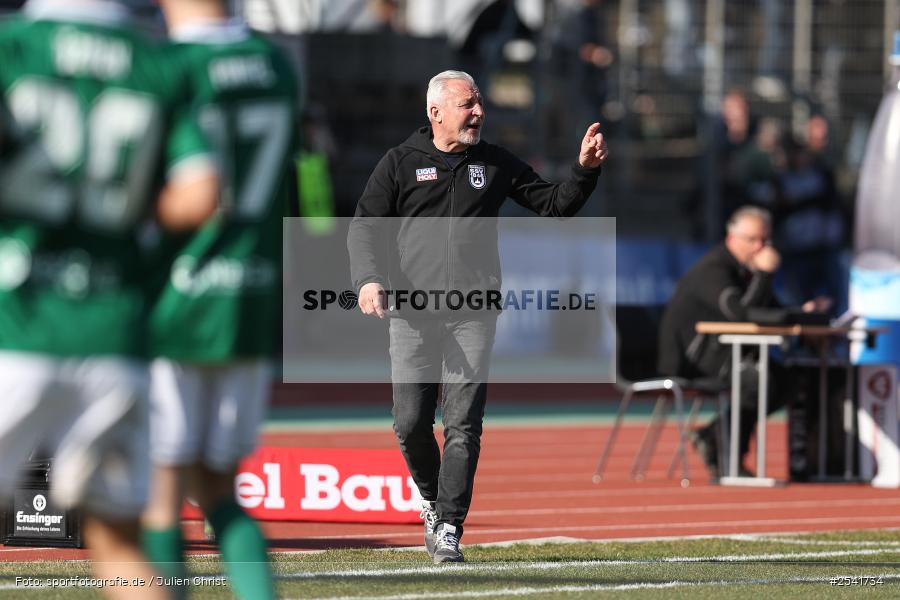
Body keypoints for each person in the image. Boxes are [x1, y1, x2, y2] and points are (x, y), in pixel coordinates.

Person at [0, 0, 218, 597]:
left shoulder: (14, 48)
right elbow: (201, 194)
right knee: (119, 541)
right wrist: (116, 216)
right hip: (114, 329)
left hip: (17, 319)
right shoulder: (159, 63)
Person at [347, 70, 607, 564]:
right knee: (409, 423)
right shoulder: (399, 162)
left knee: (464, 423)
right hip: (413, 312)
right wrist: (368, 278)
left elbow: (555, 204)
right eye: (468, 104)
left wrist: (584, 170)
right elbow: (364, 225)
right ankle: (431, 499)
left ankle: (449, 526)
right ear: (436, 112)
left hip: (473, 313)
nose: (478, 112)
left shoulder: (495, 161)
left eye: (480, 102)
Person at [140, 1, 300, 599]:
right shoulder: (276, 66)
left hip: (177, 297)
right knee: (220, 495)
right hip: (250, 295)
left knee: (159, 500)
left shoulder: (170, 66)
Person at [658, 206, 828, 478]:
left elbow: (770, 312)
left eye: (766, 241)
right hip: (693, 359)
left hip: (727, 354)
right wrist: (765, 276)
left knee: (788, 380)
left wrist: (803, 314)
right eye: (753, 240)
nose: (761, 248)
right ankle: (726, 455)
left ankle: (714, 436)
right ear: (732, 238)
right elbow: (741, 314)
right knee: (760, 381)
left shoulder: (748, 270)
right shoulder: (714, 269)